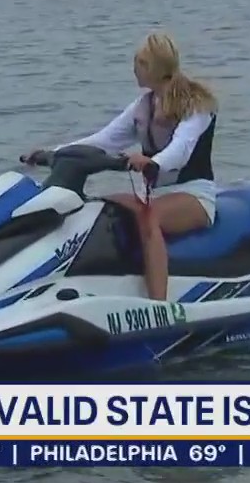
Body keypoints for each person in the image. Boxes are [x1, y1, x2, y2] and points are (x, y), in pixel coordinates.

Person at [21, 31, 218, 302]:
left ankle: (159, 305)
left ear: (153, 68)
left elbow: (181, 149)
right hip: (153, 194)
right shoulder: (144, 107)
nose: (133, 69)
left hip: (195, 194)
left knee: (150, 219)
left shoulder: (196, 106)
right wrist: (52, 153)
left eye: (139, 63)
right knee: (96, 208)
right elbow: (104, 140)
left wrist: (154, 162)